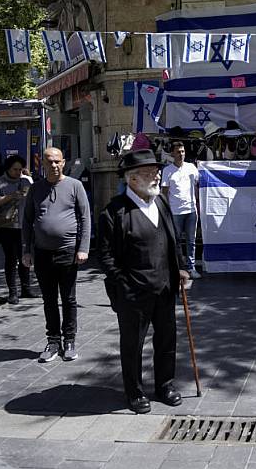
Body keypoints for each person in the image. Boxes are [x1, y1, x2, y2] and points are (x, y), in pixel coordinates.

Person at [98, 149, 190, 414]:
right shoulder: (114, 212)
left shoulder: (160, 202)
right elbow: (105, 256)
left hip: (164, 287)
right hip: (133, 293)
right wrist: (122, 283)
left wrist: (181, 267)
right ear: (132, 179)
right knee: (132, 345)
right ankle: (135, 392)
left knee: (166, 340)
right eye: (149, 173)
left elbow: (173, 240)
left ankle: (165, 385)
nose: (155, 176)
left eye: (156, 172)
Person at [22, 147, 91, 363]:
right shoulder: (36, 189)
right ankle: (53, 341)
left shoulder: (75, 186)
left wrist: (84, 248)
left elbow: (86, 218)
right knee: (49, 300)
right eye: (49, 161)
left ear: (63, 163)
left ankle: (69, 340)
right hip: (42, 253)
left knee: (68, 299)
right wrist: (26, 250)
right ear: (42, 163)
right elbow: (27, 220)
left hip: (68, 252)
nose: (53, 165)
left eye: (57, 161)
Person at [0, 155, 34, 304]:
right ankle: (12, 291)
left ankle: (26, 289)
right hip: (7, 226)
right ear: (8, 168)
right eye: (15, 169)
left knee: (25, 258)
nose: (17, 172)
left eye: (20, 169)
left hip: (24, 226)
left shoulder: (25, 181)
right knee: (11, 259)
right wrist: (11, 196)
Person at [161, 141, 202, 279]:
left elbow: (197, 187)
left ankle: (191, 268)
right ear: (172, 153)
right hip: (175, 212)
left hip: (191, 210)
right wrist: (165, 211)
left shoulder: (192, 168)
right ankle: (177, 268)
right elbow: (164, 192)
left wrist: (197, 205)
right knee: (175, 242)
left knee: (191, 241)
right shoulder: (167, 171)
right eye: (178, 152)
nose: (181, 154)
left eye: (183, 151)